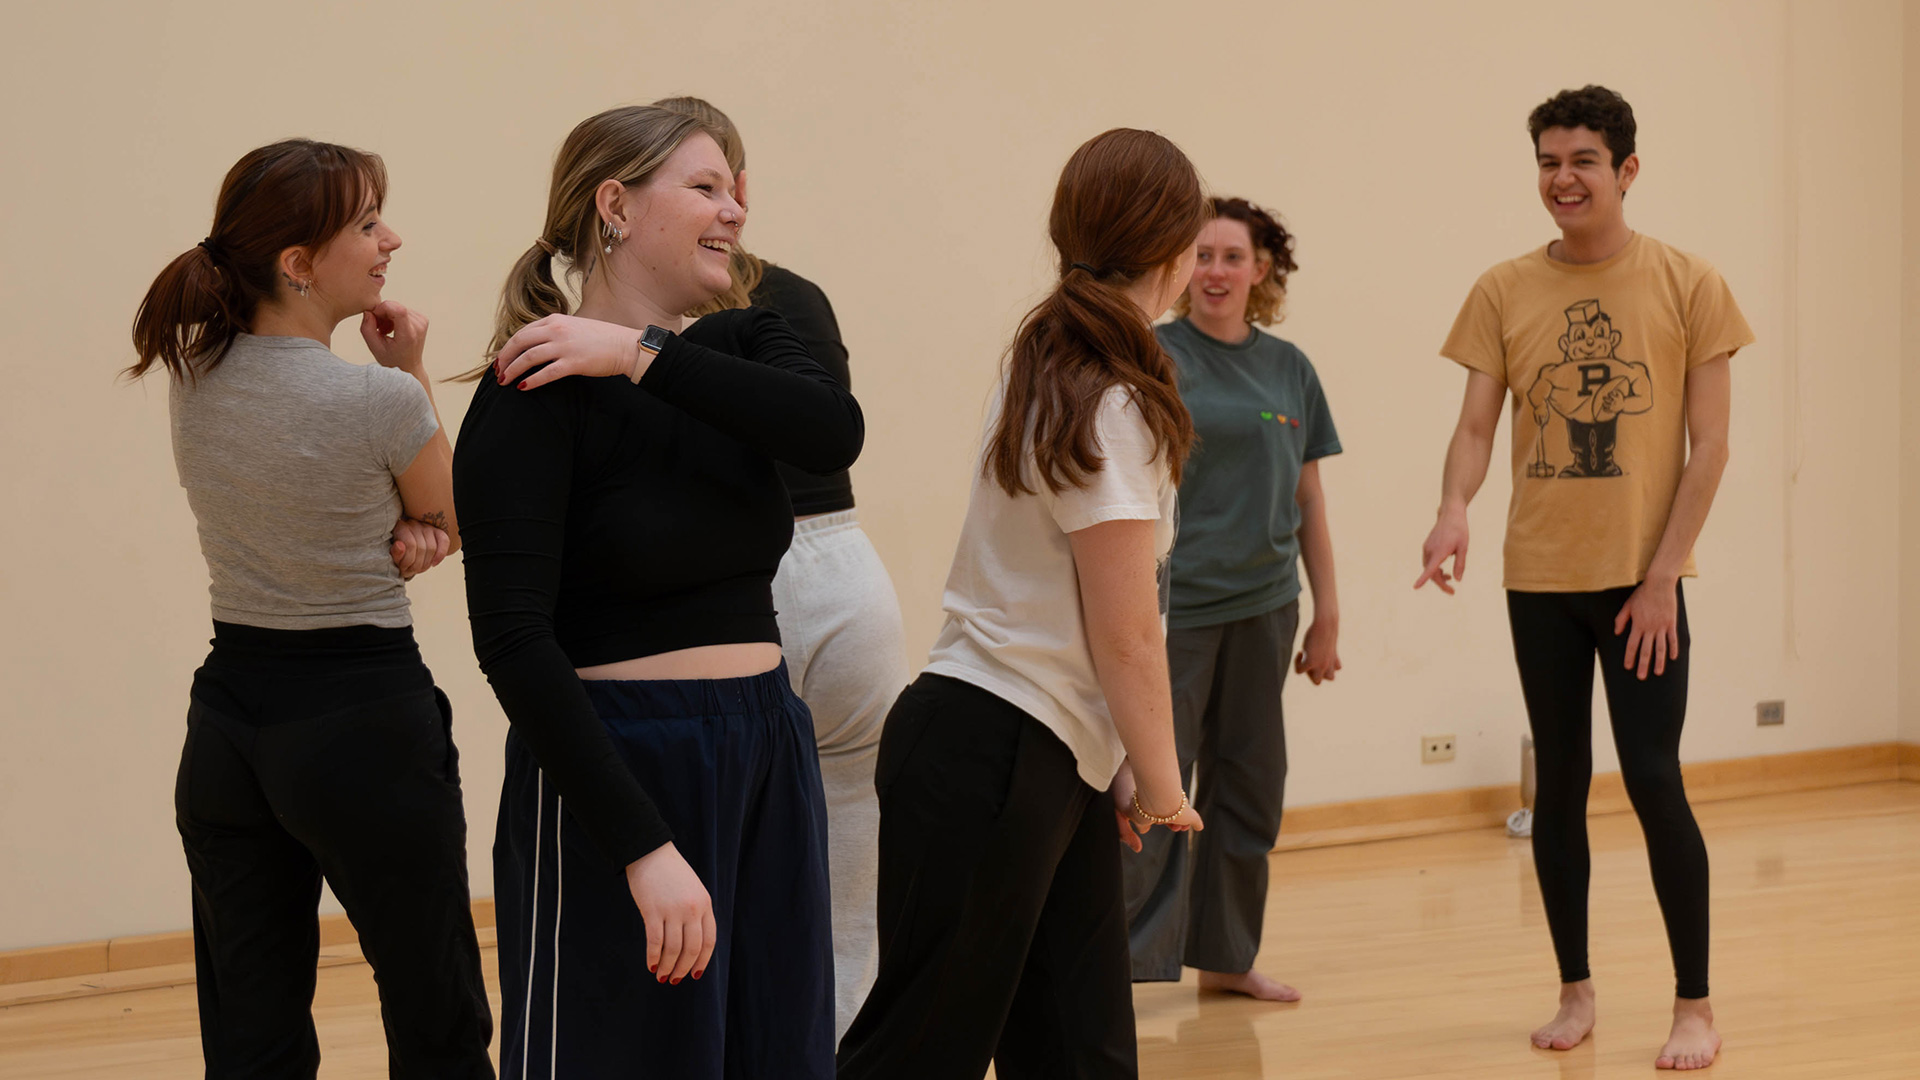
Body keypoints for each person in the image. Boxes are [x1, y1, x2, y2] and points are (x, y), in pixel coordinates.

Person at [454, 104, 863, 1079]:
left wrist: (640, 355)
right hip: (620, 761)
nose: (735, 212)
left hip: (764, 742)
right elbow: (513, 642)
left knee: (776, 1050)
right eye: (707, 187)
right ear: (616, 205)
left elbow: (831, 432)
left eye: (738, 191)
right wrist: (642, 847)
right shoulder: (531, 387)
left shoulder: (750, 345)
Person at [836, 127, 1208, 1080]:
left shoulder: (1048, 357)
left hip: (1033, 751)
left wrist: (1110, 761)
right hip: (994, 752)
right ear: (1174, 253)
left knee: (1080, 1049)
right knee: (919, 1054)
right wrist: (1166, 789)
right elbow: (1125, 636)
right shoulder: (1107, 397)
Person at [128, 139, 493, 1077]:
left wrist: (418, 529)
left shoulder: (193, 376)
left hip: (227, 731)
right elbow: (455, 514)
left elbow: (407, 519)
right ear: (297, 264)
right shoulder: (372, 399)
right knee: (436, 1011)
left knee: (252, 1036)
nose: (391, 240)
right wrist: (411, 370)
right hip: (361, 725)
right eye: (368, 224)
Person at [1416, 85, 1753, 1072]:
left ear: (1626, 170)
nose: (1563, 179)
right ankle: (1575, 988)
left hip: (1644, 586)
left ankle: (1694, 1004)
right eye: (1548, 162)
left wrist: (1659, 581)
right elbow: (1478, 427)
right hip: (1541, 582)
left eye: (1583, 162)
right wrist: (1452, 508)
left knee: (1655, 781)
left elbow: (1713, 449)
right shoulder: (1503, 289)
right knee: (1559, 786)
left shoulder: (1690, 283)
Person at [654, 94, 909, 1043]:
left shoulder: (635, 321)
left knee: (700, 883)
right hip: (849, 578)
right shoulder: (797, 294)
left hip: (735, 587)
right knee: (850, 897)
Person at [1121, 197, 1341, 1003]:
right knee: (1155, 784)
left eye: (1232, 257)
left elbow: (1309, 499)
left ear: (1262, 270)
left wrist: (1328, 614)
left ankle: (1228, 955)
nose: (1216, 271)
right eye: (1202, 256)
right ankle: (1127, 964)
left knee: (1249, 785)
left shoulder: (1291, 369)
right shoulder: (1153, 353)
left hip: (1268, 606)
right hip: (1175, 611)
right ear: (1182, 270)